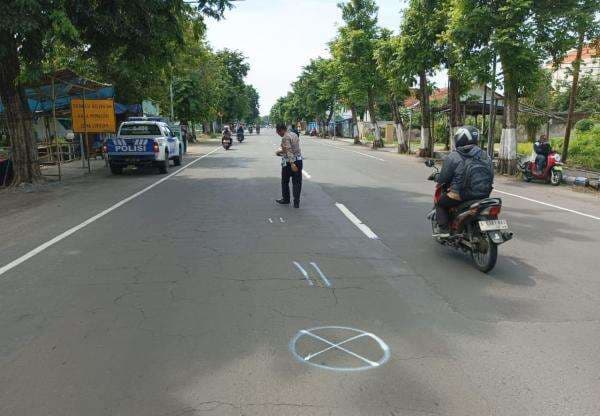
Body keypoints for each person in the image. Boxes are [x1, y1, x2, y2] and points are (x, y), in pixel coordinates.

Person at [435, 126, 494, 237]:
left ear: (460, 138)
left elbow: (443, 178)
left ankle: (444, 229)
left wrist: (439, 179)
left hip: (461, 195)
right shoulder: (486, 155)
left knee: (440, 202)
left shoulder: (454, 156)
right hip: (484, 194)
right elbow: (491, 174)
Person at [275, 123, 303, 208]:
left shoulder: (285, 137)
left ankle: (286, 199)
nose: (278, 134)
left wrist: (292, 163)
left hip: (289, 163)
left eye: (278, 132)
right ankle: (296, 203)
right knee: (297, 182)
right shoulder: (294, 134)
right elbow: (291, 148)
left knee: (285, 181)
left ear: (282, 130)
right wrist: (280, 152)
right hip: (299, 160)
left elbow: (288, 150)